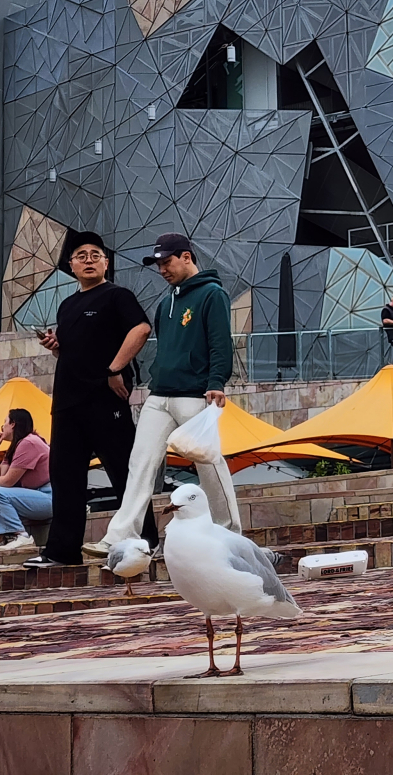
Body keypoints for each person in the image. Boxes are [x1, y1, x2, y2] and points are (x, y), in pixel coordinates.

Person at [83, 233, 239, 558]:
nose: (162, 269)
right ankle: (119, 535)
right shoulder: (166, 302)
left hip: (195, 393)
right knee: (140, 462)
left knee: (208, 463)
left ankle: (229, 534)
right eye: (158, 264)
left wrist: (216, 383)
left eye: (167, 262)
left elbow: (221, 344)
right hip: (160, 393)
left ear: (186, 257)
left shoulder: (212, 294)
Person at [25, 232, 156, 568]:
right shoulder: (67, 305)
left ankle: (146, 544)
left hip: (106, 399)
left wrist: (115, 368)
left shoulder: (117, 296)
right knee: (65, 478)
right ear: (71, 265)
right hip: (68, 403)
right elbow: (75, 351)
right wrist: (57, 346)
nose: (88, 260)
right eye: (80, 255)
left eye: (95, 254)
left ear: (106, 263)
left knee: (125, 474)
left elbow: (141, 329)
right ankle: (61, 552)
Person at [0, 409, 51, 553]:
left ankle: (21, 536)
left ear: (13, 424)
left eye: (5, 423)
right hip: (36, 496)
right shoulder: (16, 446)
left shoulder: (29, 443)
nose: (2, 427)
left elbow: (7, 482)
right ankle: (0, 538)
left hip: (50, 497)